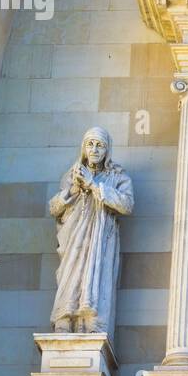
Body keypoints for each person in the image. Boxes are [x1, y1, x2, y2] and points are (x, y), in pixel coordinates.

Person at [47, 127, 134, 335]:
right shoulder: (71, 175)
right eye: (90, 144)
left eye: (100, 145)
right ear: (83, 148)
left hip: (100, 241)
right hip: (74, 240)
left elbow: (127, 205)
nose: (94, 149)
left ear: (107, 151)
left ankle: (92, 323)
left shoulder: (117, 177)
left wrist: (94, 185)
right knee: (70, 275)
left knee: (96, 277)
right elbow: (53, 208)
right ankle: (64, 319)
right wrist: (72, 190)